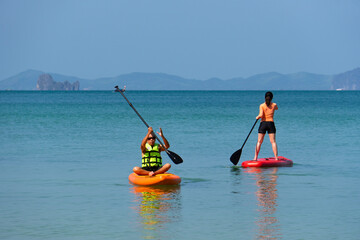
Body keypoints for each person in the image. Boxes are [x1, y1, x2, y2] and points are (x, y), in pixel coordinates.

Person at [254, 91, 279, 161]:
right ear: (272, 98)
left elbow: (261, 115)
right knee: (273, 141)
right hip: (271, 124)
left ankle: (255, 157)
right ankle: (276, 158)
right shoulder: (274, 105)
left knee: (259, 141)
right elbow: (276, 108)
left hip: (263, 124)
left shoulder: (262, 105)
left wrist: (257, 117)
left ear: (265, 97)